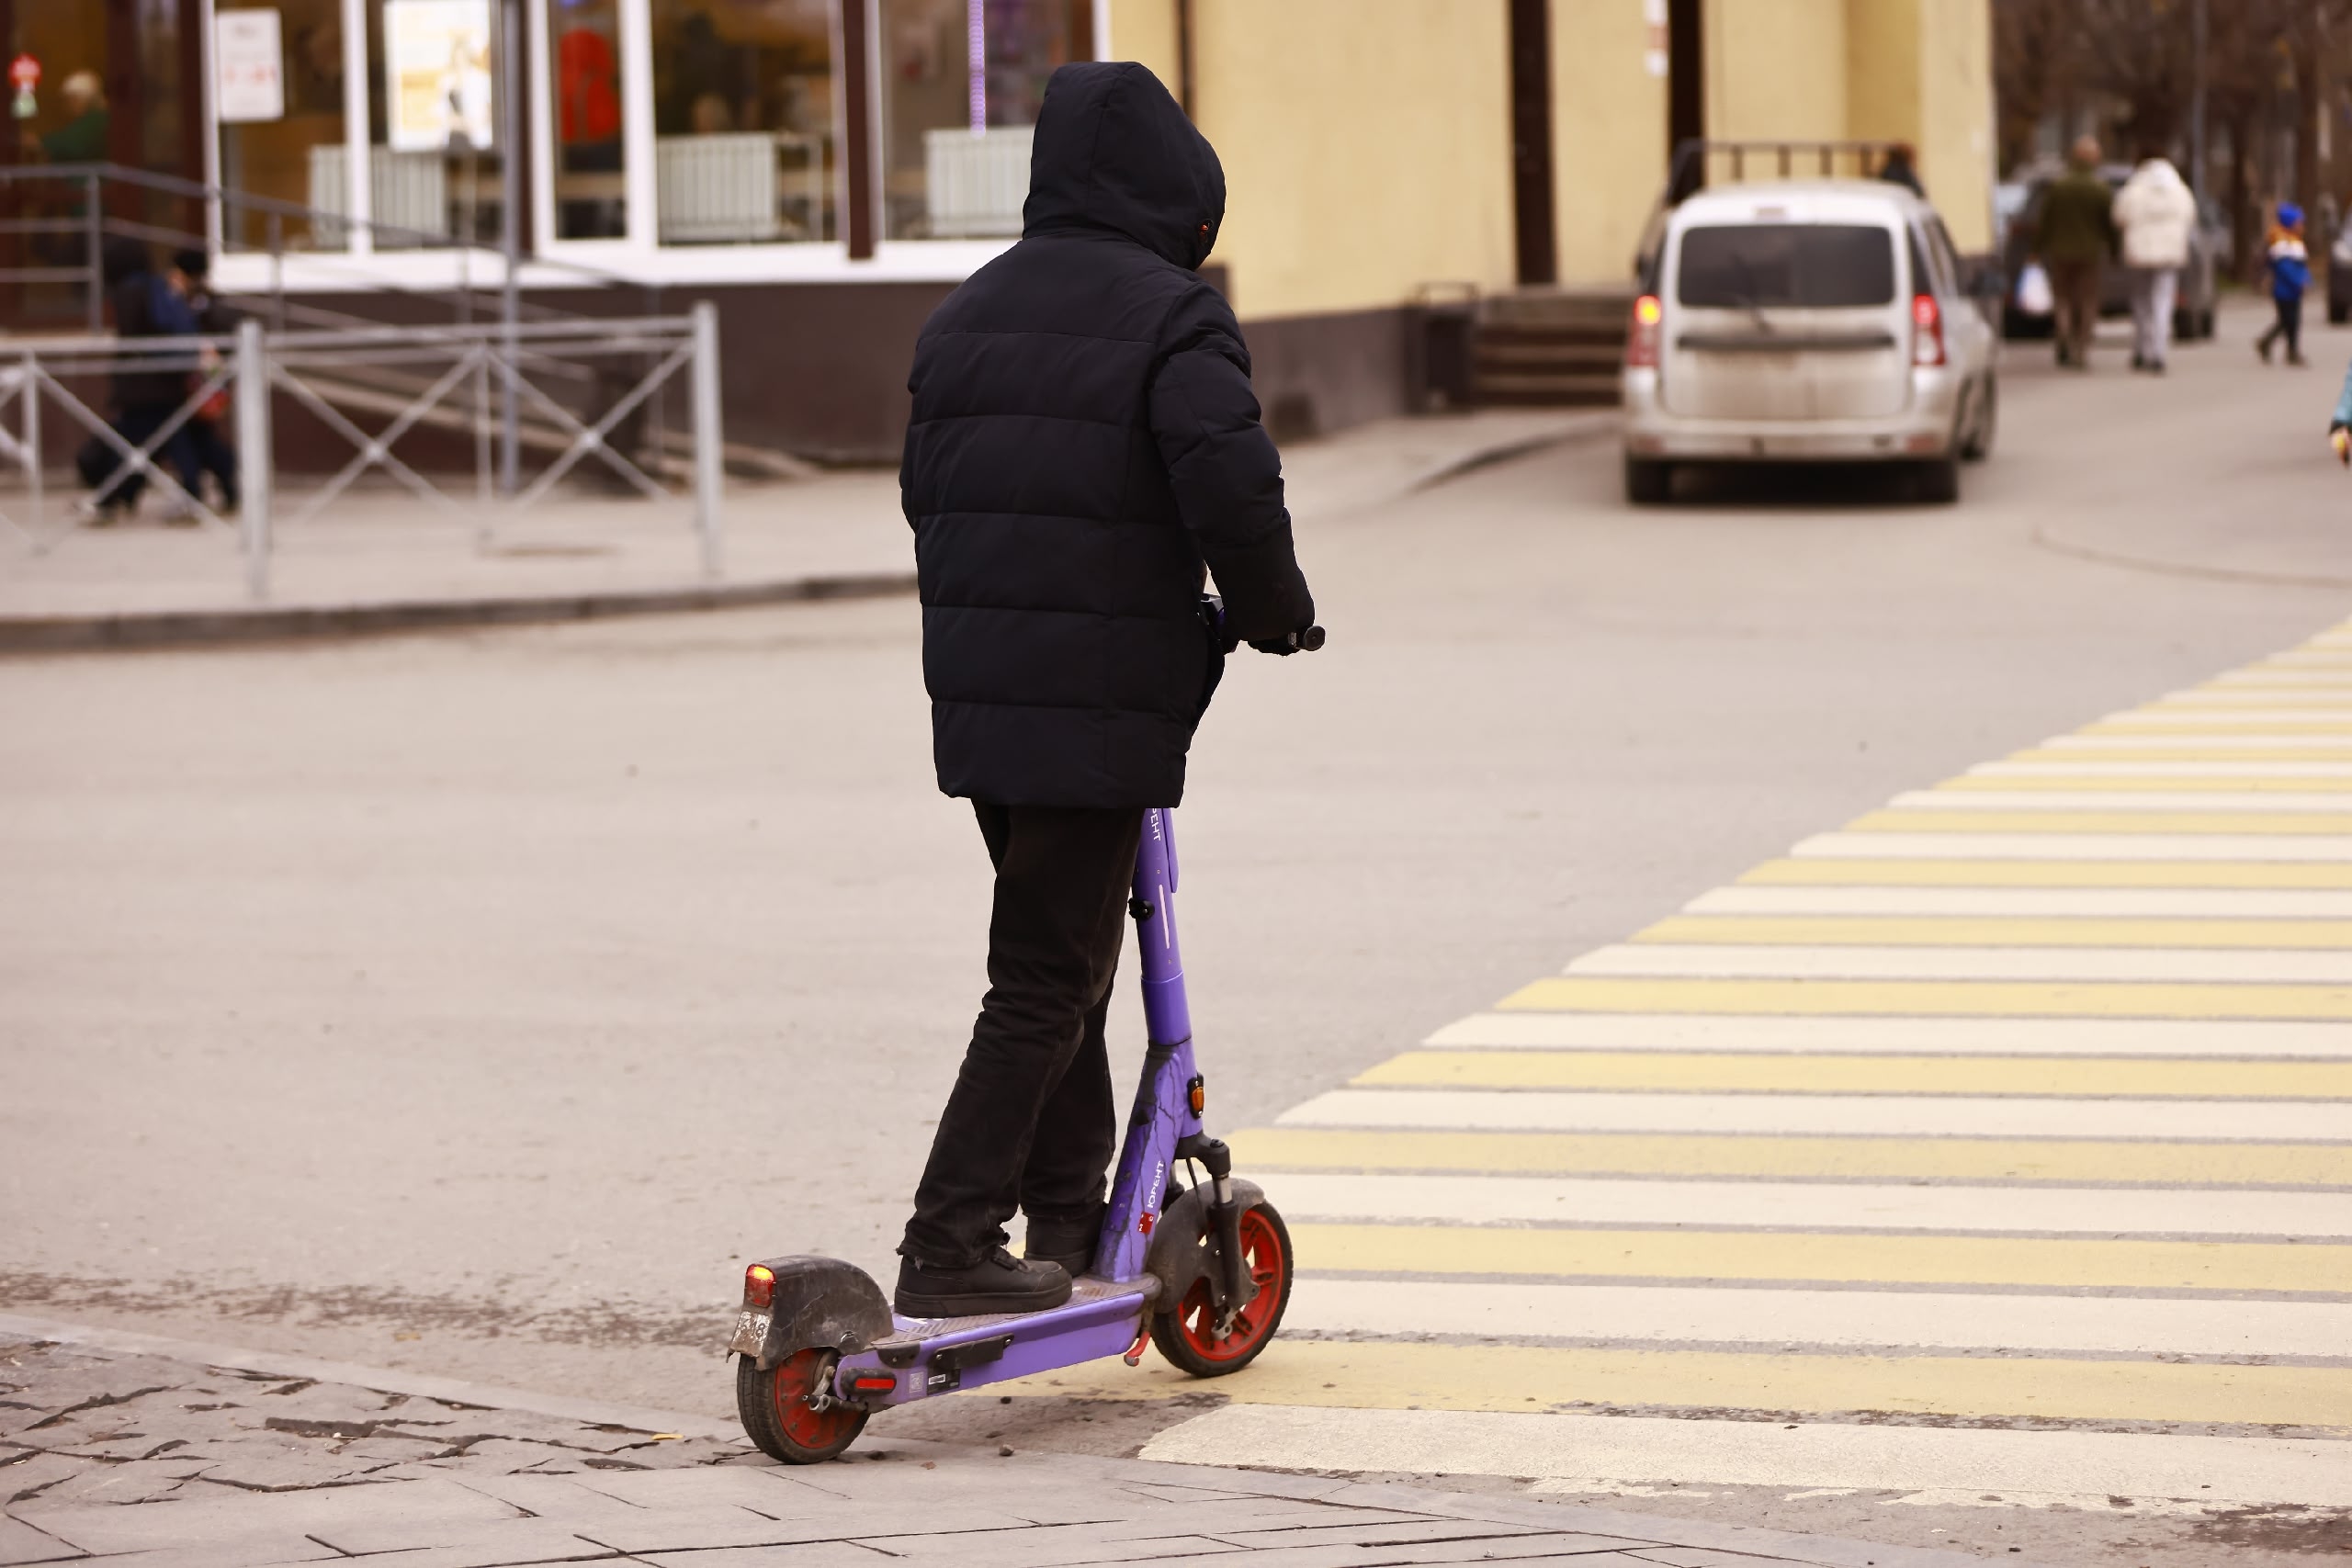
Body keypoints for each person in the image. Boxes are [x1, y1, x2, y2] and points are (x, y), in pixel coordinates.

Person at [894, 61, 1316, 1318]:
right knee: (1042, 974)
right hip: (1098, 696)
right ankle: (949, 1234)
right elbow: (1231, 489)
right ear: (1175, 197)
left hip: (982, 692)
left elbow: (929, 498)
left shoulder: (962, 316)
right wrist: (1274, 613)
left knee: (1061, 957)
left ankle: (1070, 1213)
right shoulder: (1172, 316)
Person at [2109, 144, 2199, 374]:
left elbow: (2119, 216)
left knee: (2141, 301)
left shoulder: (2134, 189)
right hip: (2169, 253)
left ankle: (2142, 348)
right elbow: (2190, 217)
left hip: (2140, 251)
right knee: (2162, 301)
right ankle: (2158, 351)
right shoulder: (2179, 191)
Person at [2032, 135, 2116, 369]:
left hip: (2060, 251)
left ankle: (2064, 336)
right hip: (2089, 253)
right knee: (2087, 300)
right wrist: (2115, 250)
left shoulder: (2059, 187)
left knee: (2063, 299)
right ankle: (2081, 347)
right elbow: (2108, 225)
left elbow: (2045, 222)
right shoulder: (2099, 189)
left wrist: (2036, 250)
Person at [169, 250, 241, 515]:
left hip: (198, 384)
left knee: (191, 437)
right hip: (202, 383)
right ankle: (226, 483)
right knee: (199, 438)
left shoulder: (195, 303)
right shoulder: (205, 300)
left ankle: (197, 490)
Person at [2257, 203, 2312, 367]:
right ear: (2290, 223)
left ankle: (2281, 347)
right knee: (2288, 321)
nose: (2302, 226)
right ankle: (2287, 349)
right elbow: (2285, 268)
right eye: (2299, 222)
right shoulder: (2281, 243)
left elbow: (2301, 266)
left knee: (2290, 321)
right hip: (2283, 290)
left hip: (2294, 291)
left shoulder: (2294, 241)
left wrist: (2307, 280)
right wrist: (2299, 281)